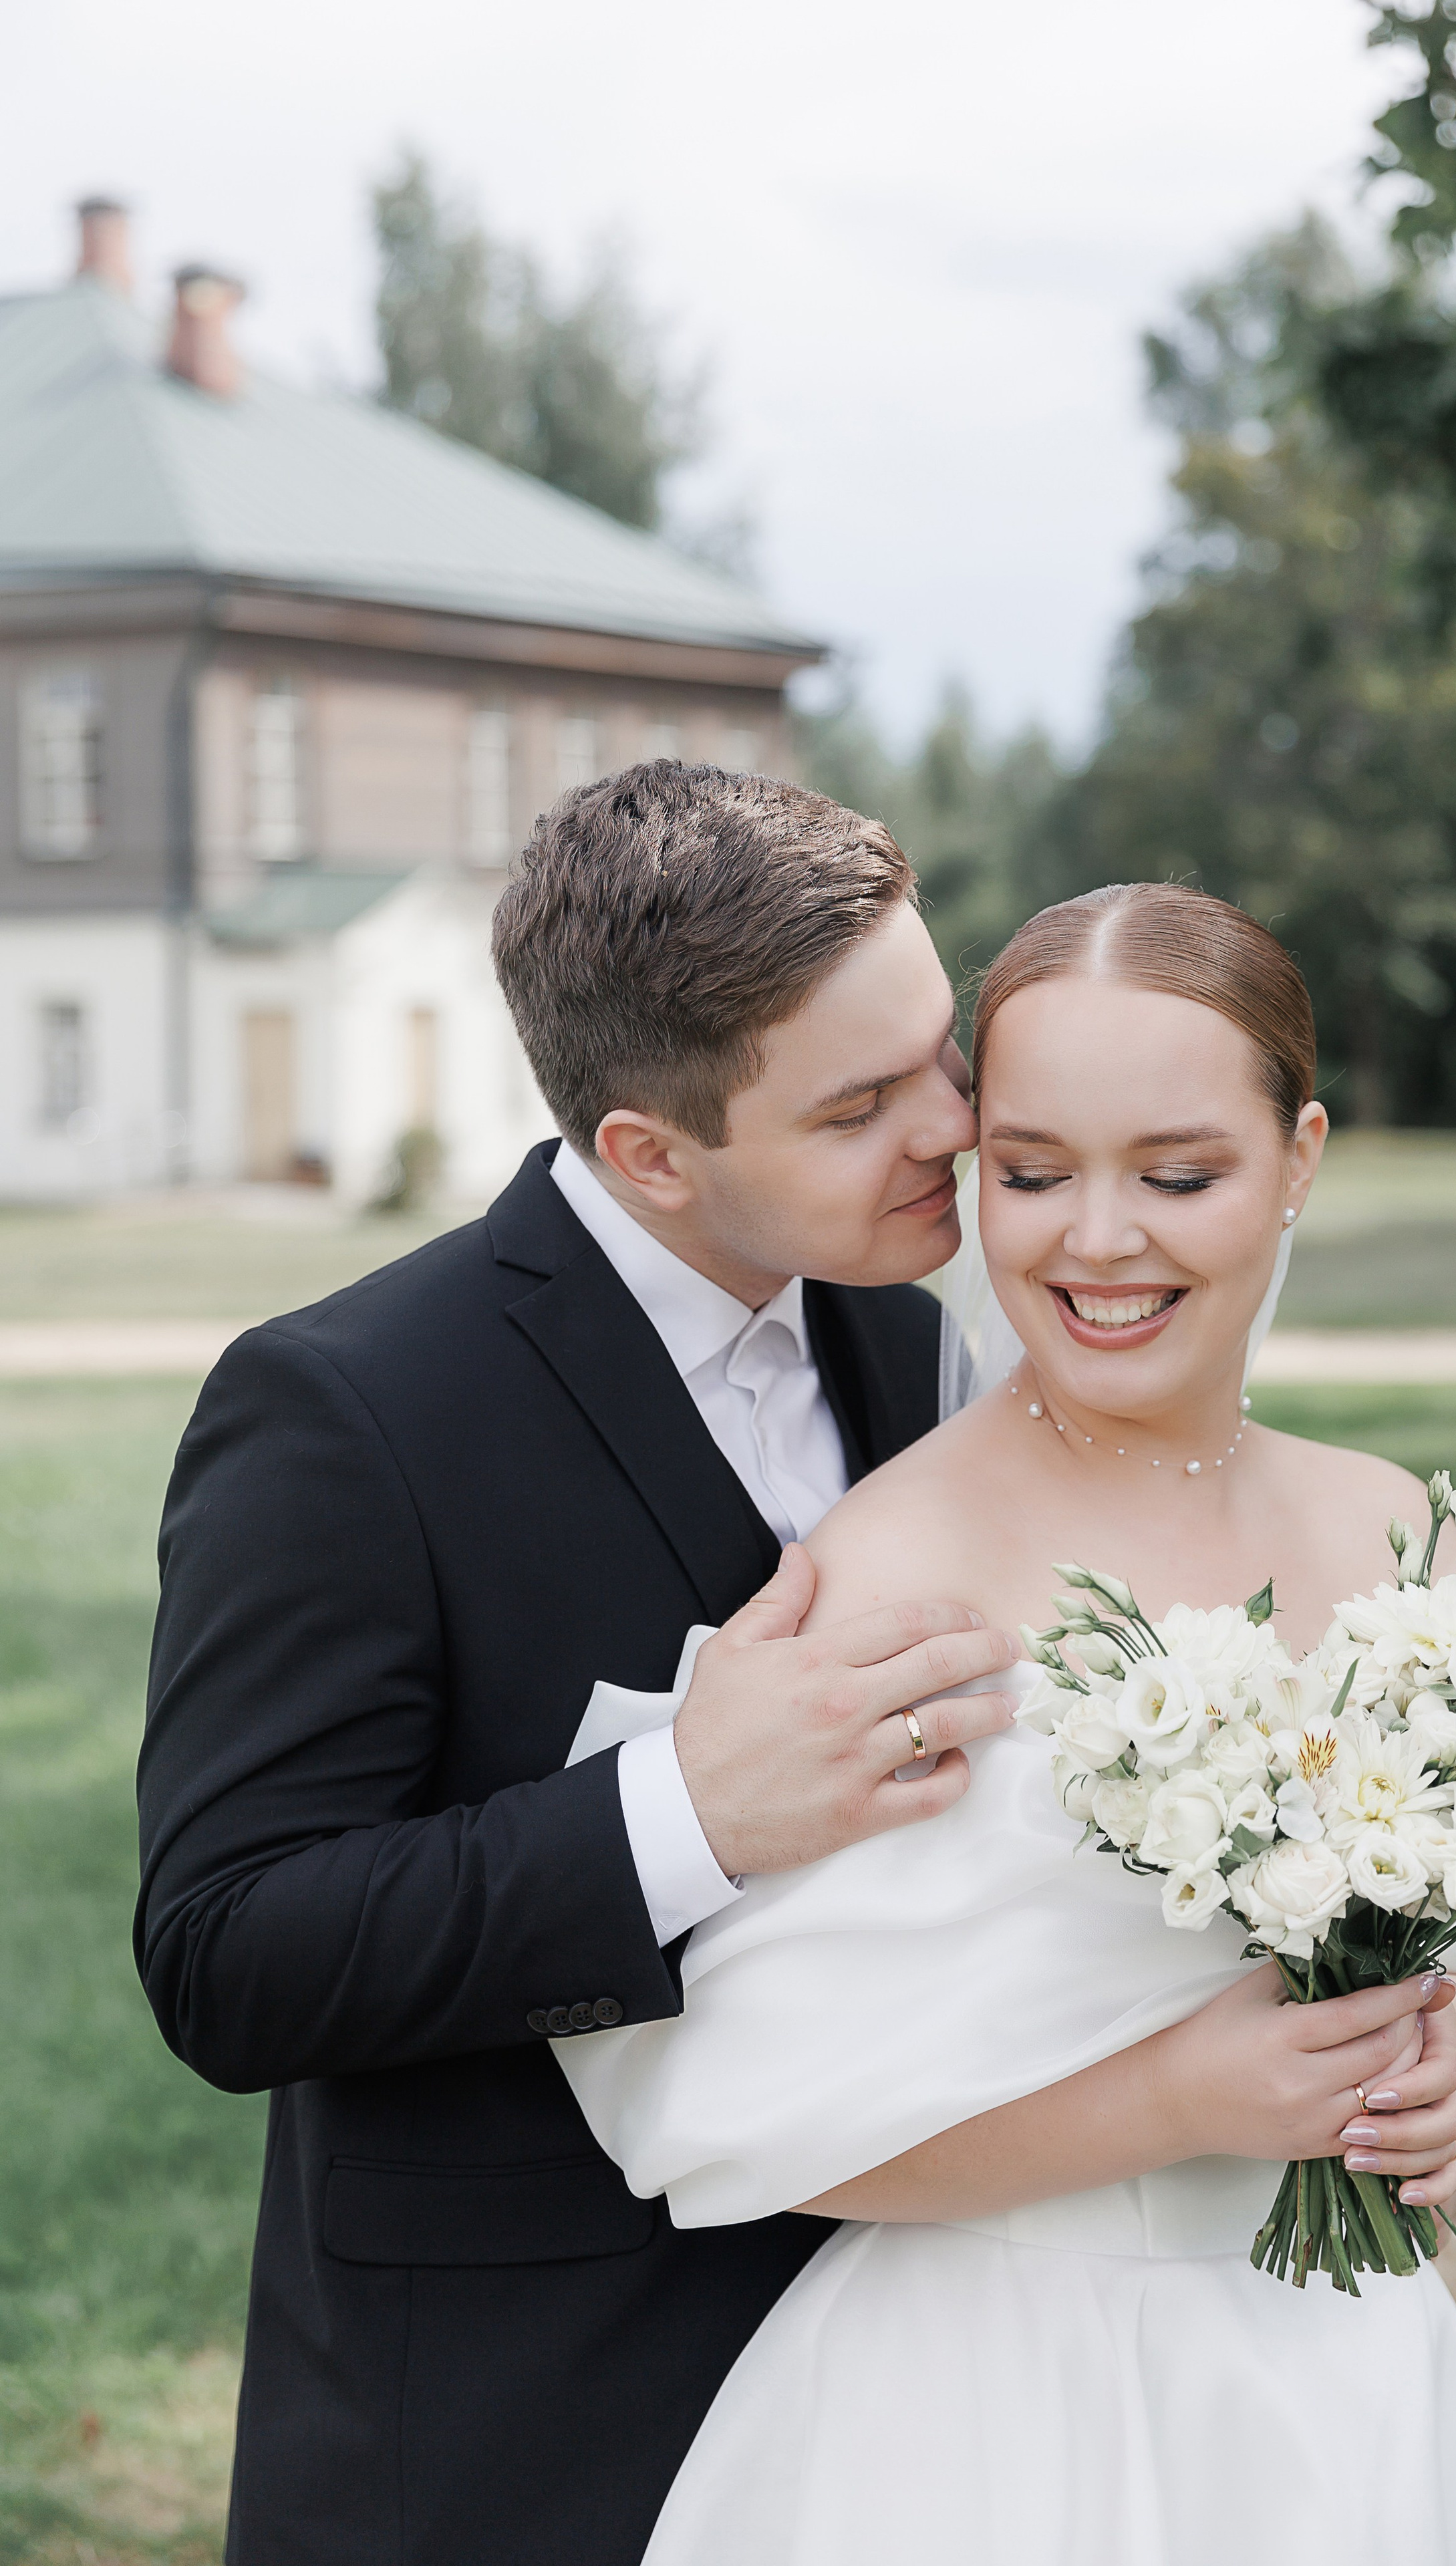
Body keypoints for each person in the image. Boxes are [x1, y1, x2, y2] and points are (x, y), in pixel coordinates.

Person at [555, 883, 1456, 2566]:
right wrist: (1181, 2101)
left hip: (1334, 2397)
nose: (1093, 1240)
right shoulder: (885, 1578)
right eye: (1029, 1175)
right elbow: (775, 2122)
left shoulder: (1405, 1536)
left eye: (1175, 1176)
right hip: (989, 2409)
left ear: (1298, 1159)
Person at [135, 763, 1021, 2566]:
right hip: (513, 2428)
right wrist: (680, 1814)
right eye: (862, 1105)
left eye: (947, 1050)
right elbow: (229, 1953)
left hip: (904, 2373)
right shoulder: (346, 1410)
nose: (951, 1128)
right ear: (649, 1154)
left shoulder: (917, 1336)